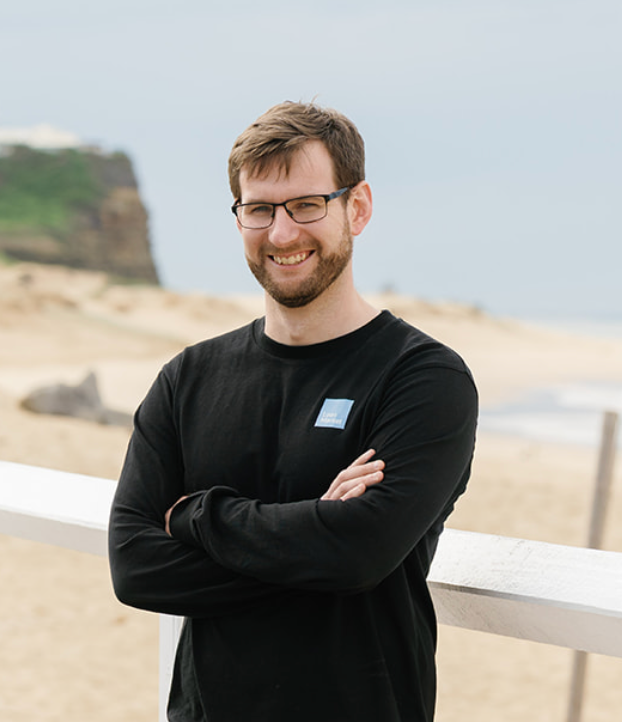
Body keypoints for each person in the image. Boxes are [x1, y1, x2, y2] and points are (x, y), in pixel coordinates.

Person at [108, 100, 478, 722]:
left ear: (356, 208)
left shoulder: (423, 379)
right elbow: (135, 566)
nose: (282, 234)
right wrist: (316, 538)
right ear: (239, 217)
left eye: (307, 205)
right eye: (259, 209)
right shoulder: (187, 379)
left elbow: (360, 554)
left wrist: (197, 514)